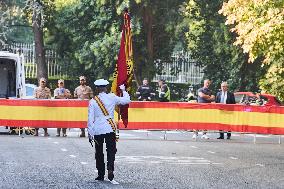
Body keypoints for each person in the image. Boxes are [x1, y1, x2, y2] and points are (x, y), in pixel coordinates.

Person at [88, 79, 131, 181]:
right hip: (110, 127)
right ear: (106, 88)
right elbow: (126, 100)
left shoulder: (93, 101)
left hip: (98, 129)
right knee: (111, 150)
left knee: (99, 152)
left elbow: (90, 119)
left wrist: (90, 134)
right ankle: (110, 168)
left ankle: (101, 174)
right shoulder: (112, 97)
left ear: (97, 89)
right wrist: (123, 90)